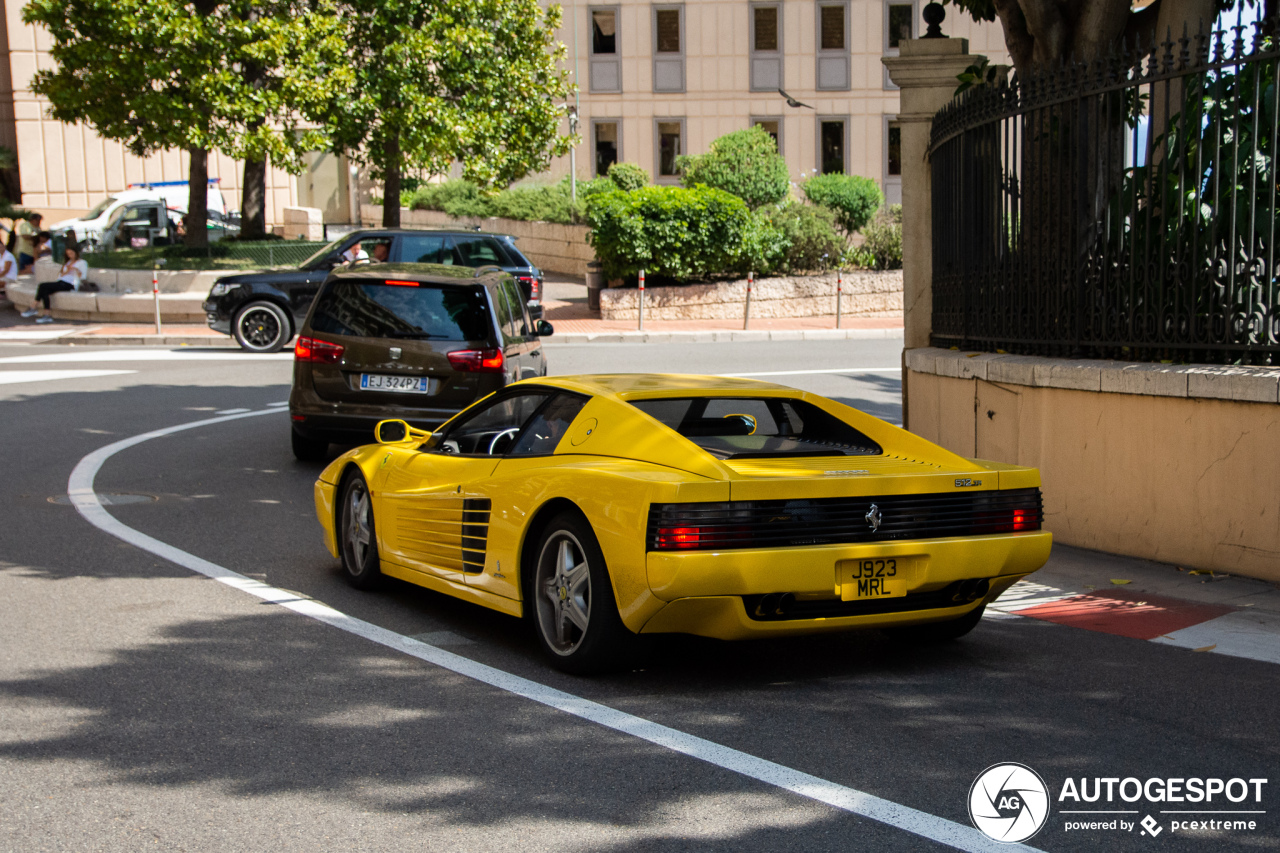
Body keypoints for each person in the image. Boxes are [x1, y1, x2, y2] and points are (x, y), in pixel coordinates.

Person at [22, 244, 88, 323]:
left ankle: (33, 307)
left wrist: (76, 270)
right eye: (68, 254)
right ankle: (46, 315)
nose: (70, 255)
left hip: (70, 284)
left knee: (42, 286)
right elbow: (61, 275)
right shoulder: (68, 262)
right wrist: (67, 270)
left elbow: (83, 277)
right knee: (44, 291)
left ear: (76, 253)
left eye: (71, 253)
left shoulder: (82, 262)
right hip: (61, 281)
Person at [0, 232, 17, 299]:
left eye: (1, 247)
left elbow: (6, 270)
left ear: (4, 246)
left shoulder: (8, 256)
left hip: (10, 277)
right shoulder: (0, 256)